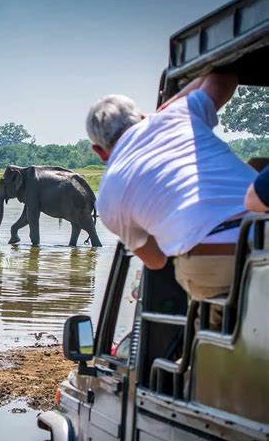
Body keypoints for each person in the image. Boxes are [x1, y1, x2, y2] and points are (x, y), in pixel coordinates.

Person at [86, 72, 257, 303]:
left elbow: (156, 261)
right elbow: (223, 76)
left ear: (99, 152)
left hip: (212, 262)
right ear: (142, 116)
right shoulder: (177, 114)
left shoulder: (107, 197)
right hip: (263, 230)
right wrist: (171, 106)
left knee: (209, 316)